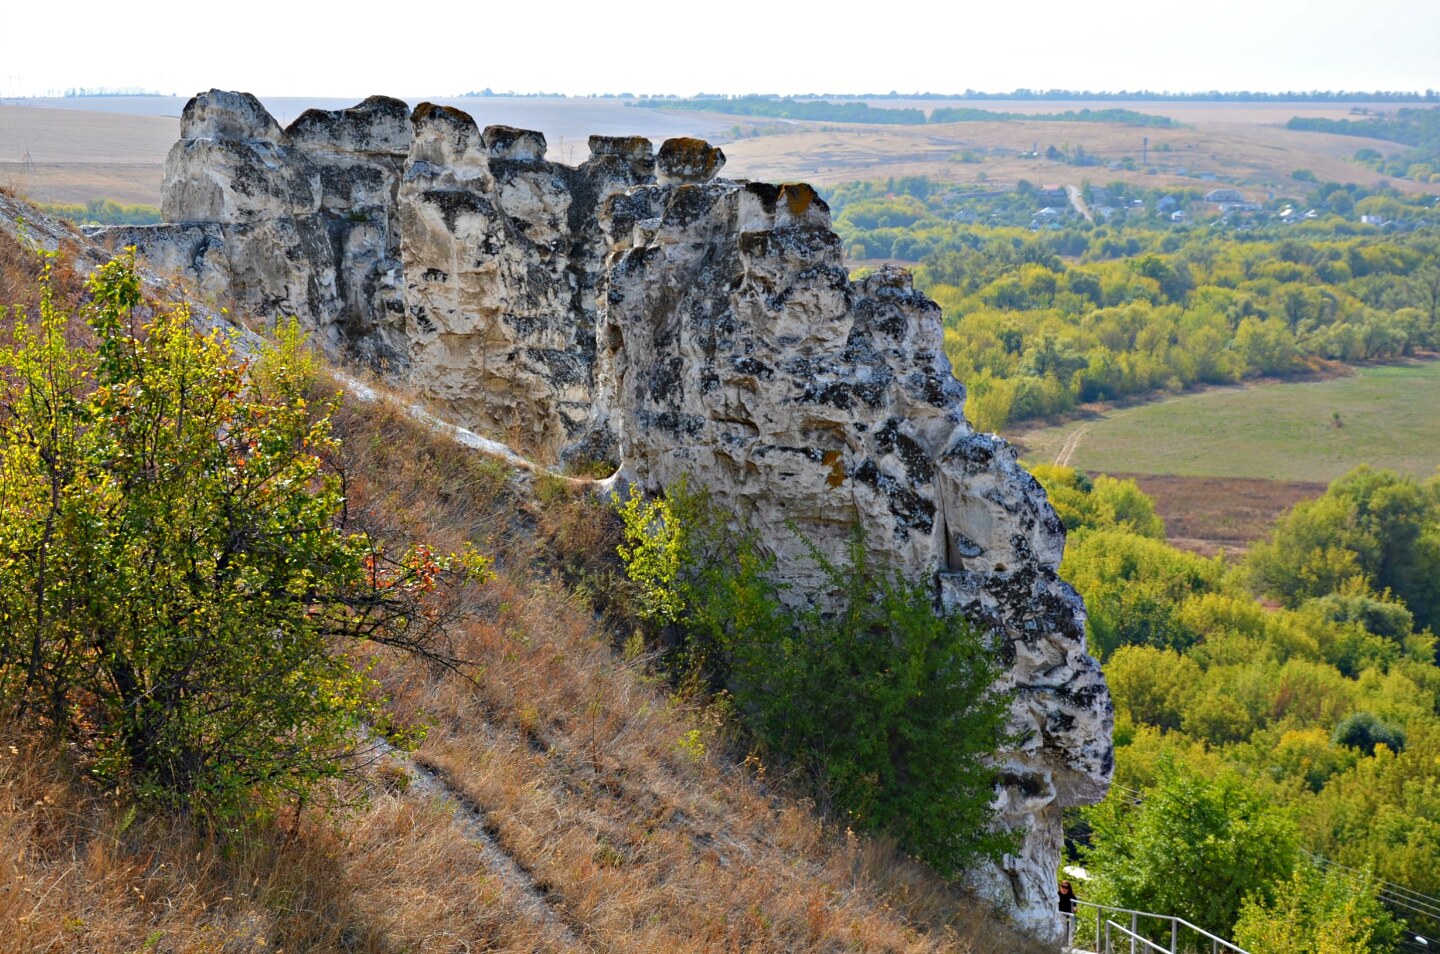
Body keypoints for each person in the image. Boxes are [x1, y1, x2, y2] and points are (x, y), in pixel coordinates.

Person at [1058, 880, 1078, 948]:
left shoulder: (1072, 898)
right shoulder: (1056, 895)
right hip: (1057, 918)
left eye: (1066, 888)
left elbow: (1075, 907)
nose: (1064, 889)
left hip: (1067, 919)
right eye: (1062, 886)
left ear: (1069, 889)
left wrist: (1075, 909)